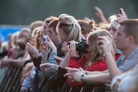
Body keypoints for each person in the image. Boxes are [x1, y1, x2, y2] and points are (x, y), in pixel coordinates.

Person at [64, 19, 138, 91]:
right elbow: (107, 72)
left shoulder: (136, 59)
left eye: (118, 34)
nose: (114, 37)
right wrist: (85, 73)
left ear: (129, 39)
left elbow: (115, 78)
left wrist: (83, 76)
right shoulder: (124, 56)